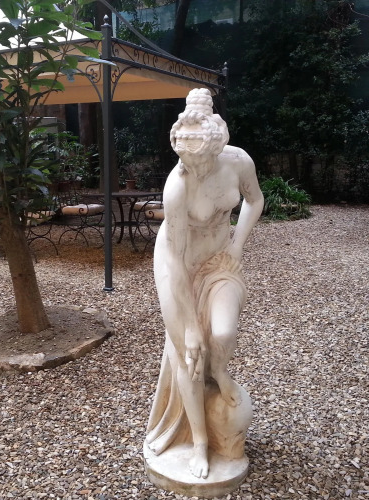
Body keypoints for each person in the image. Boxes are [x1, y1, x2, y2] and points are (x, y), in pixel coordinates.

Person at [145, 88, 263, 479]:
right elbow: (177, 260)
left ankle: (222, 371)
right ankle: (198, 442)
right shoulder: (177, 185)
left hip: (219, 259)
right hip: (177, 264)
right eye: (185, 160)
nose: (192, 168)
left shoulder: (237, 161)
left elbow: (254, 200)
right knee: (189, 356)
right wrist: (192, 328)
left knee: (224, 333)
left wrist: (237, 245)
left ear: (216, 146)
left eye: (200, 160)